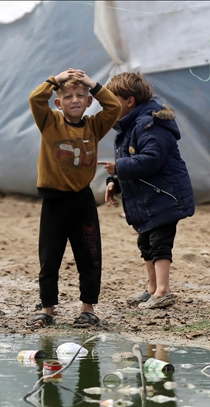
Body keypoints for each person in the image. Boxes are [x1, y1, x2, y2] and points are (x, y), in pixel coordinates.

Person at [28, 69, 121, 328]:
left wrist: (93, 84)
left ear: (89, 101)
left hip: (83, 201)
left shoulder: (94, 125)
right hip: (54, 202)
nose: (75, 100)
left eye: (81, 95)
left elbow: (113, 106)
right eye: (68, 96)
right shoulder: (50, 122)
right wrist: (55, 80)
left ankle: (87, 309)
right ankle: (47, 308)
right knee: (50, 258)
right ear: (59, 103)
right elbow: (35, 99)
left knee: (90, 256)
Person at [100, 72, 195, 310]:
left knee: (160, 243)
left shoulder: (152, 123)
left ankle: (163, 290)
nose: (110, 107)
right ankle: (152, 287)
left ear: (129, 101)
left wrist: (118, 167)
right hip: (147, 197)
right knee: (145, 243)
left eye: (114, 101)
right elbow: (132, 160)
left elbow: (151, 159)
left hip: (164, 196)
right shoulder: (131, 125)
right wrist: (116, 180)